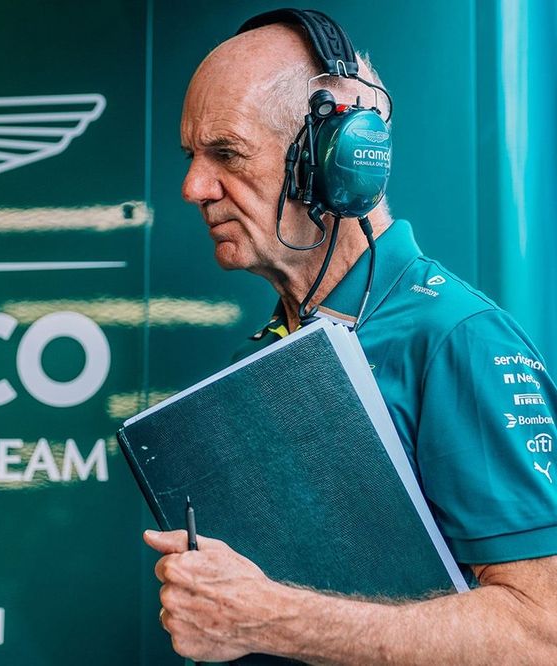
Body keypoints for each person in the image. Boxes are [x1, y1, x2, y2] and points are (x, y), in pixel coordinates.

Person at [144, 14, 557, 665]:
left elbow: (542, 632)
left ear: (337, 159)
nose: (193, 187)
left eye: (227, 153)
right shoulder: (269, 352)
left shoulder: (455, 339)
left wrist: (268, 620)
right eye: (192, 157)